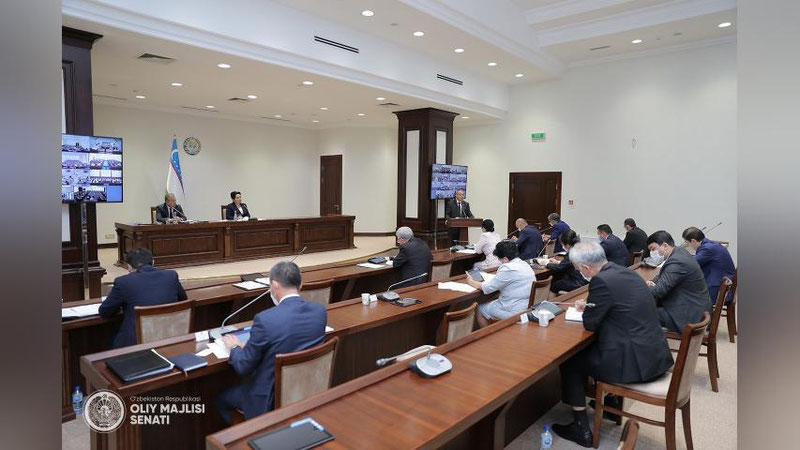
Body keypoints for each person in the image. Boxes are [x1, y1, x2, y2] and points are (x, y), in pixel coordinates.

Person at [551, 241, 673, 447]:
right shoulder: (624, 272)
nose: (579, 272)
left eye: (578, 269)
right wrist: (592, 305)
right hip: (654, 354)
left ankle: (581, 428)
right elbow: (620, 305)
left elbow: (591, 323)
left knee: (570, 361)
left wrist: (588, 310)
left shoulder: (600, 281)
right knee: (592, 349)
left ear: (585, 267)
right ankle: (610, 403)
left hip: (635, 363)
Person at [217, 261, 326, 423]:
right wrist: (250, 346)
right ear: (300, 285)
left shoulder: (265, 320)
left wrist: (234, 346)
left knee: (221, 399)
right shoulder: (319, 311)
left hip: (268, 401)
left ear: (274, 286)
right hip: (307, 392)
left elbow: (243, 367)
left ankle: (243, 436)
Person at [98, 248, 188, 348]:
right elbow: (184, 300)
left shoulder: (123, 282)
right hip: (170, 337)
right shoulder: (171, 275)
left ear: (129, 267)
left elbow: (104, 311)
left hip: (136, 345)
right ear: (153, 262)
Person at [645, 231, 712, 332]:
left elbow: (659, 291)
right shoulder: (679, 253)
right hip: (693, 307)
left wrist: (642, 286)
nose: (652, 253)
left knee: (640, 312)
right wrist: (652, 282)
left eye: (653, 249)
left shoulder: (677, 261)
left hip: (689, 315)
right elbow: (664, 275)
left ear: (665, 245)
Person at [465, 240, 535, 328]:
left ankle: (488, 335)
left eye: (500, 259)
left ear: (505, 258)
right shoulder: (524, 264)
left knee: (480, 309)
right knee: (492, 299)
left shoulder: (507, 268)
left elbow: (487, 288)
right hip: (527, 308)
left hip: (514, 312)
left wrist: (470, 281)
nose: (500, 261)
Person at [682, 227, 736, 303]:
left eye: (687, 243)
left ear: (693, 241)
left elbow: (690, 264)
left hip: (717, 291)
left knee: (682, 296)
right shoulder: (712, 245)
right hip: (723, 287)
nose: (687, 245)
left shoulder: (707, 248)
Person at [545, 230, 587, 295]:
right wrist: (558, 262)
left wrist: (546, 263)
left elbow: (559, 268)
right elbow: (569, 264)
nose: (562, 247)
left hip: (577, 283)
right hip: (585, 281)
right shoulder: (580, 249)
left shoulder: (571, 253)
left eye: (562, 244)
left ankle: (553, 301)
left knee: (553, 285)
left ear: (567, 245)